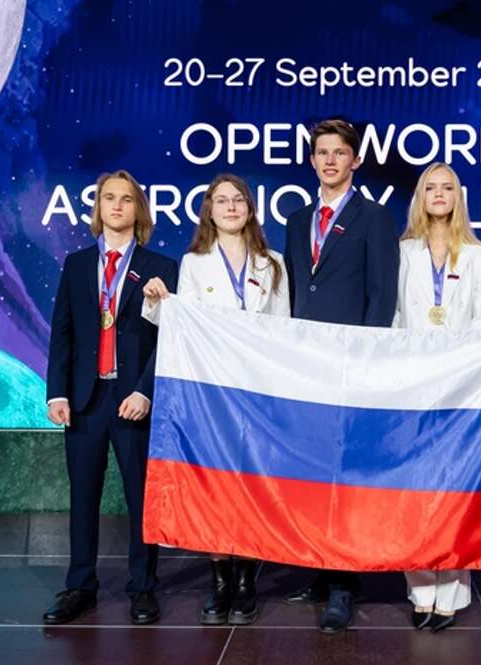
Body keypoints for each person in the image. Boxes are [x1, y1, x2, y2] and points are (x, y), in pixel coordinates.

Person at [141, 173, 289, 625]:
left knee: (252, 485)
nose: (230, 207)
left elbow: (284, 330)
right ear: (209, 210)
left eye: (238, 199)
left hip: (259, 391)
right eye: (221, 201)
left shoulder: (273, 263)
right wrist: (157, 302)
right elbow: (182, 324)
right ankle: (220, 580)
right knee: (216, 486)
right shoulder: (194, 263)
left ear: (250, 208)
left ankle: (246, 581)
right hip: (212, 393)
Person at [43, 169, 179, 625]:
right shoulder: (77, 264)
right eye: (108, 198)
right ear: (98, 208)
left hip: (132, 400)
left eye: (126, 199)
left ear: (139, 209)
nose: (117, 205)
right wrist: (57, 392)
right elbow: (62, 333)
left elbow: (170, 340)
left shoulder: (162, 267)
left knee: (142, 498)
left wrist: (145, 390)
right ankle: (80, 586)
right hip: (84, 400)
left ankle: (143, 588)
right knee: (83, 496)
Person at [282, 118, 399, 633]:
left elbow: (382, 293)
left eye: (339, 153)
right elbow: (294, 292)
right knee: (311, 470)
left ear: (355, 161)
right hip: (306, 366)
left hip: (351, 365)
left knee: (345, 475)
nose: (330, 161)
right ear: (312, 161)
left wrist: (367, 358)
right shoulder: (296, 219)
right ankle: (317, 566)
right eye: (322, 153)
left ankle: (343, 584)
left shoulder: (374, 218)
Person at [394, 162, 481, 631]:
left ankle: (452, 590)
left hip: (460, 388)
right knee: (415, 489)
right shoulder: (403, 252)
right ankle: (420, 590)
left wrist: (465, 373)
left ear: (458, 197)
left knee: (455, 490)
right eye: (430, 187)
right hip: (412, 386)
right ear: (420, 197)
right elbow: (396, 320)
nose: (438, 194)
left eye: (446, 188)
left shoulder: (480, 255)